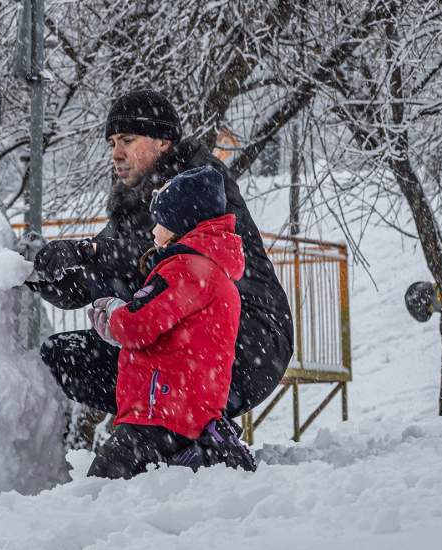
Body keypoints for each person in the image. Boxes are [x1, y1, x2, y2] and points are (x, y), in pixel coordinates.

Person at [27, 89, 294, 432]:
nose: (117, 154)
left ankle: (192, 437)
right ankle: (168, 439)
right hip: (185, 347)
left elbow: (175, 257)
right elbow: (101, 272)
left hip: (250, 342)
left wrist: (87, 252)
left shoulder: (202, 183)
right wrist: (46, 275)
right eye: (112, 144)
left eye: (127, 139)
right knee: (64, 356)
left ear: (164, 141)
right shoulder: (131, 205)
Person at [85, 165, 255, 478]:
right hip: (187, 413)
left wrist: (111, 313)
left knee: (98, 490)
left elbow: (138, 324)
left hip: (159, 414)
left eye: (160, 221)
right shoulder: (214, 271)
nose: (153, 230)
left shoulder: (186, 269)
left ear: (181, 223)